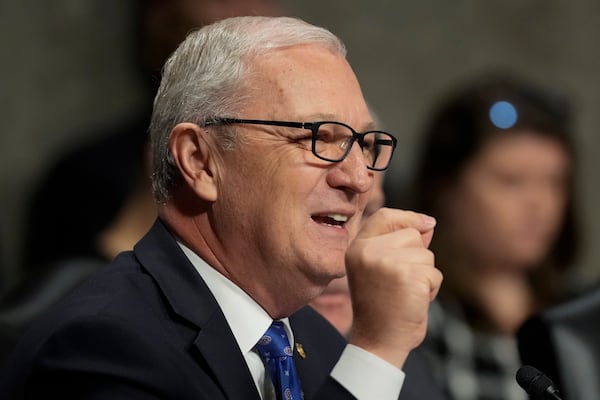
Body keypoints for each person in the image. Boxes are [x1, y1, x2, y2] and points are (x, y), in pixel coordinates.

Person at [0, 16, 443, 399]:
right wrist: (377, 352)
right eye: (318, 139)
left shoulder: (317, 343)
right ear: (199, 161)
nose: (359, 177)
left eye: (363, 144)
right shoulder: (104, 346)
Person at [0, 0, 282, 362]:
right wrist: (135, 222)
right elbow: (46, 332)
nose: (253, 10)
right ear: (160, 19)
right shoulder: (88, 175)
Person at [407, 72, 581, 400]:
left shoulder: (579, 314)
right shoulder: (415, 318)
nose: (539, 204)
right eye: (511, 180)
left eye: (554, 182)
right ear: (445, 188)